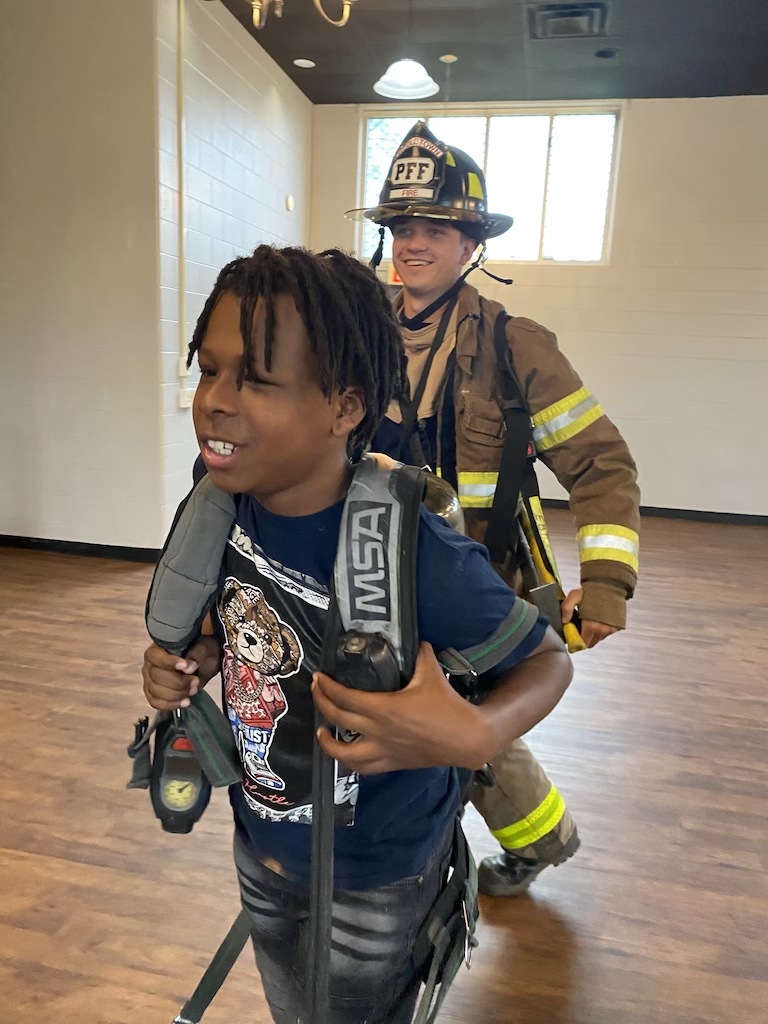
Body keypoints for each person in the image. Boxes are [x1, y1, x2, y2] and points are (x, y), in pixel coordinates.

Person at [141, 245, 573, 1024]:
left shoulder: (415, 550)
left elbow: (546, 661)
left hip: (380, 872)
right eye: (210, 370)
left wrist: (476, 734)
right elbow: (244, 613)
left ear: (344, 407)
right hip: (261, 839)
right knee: (293, 1006)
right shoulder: (221, 509)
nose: (215, 400)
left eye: (257, 379)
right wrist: (199, 656)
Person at [346, 121, 641, 897]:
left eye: (436, 228)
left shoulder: (518, 348)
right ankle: (507, 842)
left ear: (471, 242)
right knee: (412, 719)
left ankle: (516, 847)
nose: (415, 243)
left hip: (473, 581)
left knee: (454, 725)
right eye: (403, 227)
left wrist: (606, 583)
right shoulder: (353, 330)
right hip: (367, 575)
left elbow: (602, 464)